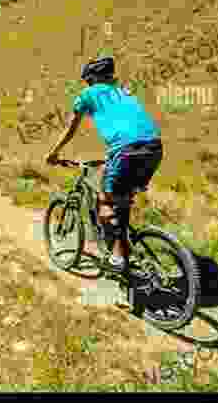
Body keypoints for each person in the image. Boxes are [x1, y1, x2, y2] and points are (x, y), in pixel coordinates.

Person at [45, 56, 163, 275]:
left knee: (105, 201)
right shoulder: (124, 92)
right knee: (121, 200)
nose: (88, 86)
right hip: (154, 149)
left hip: (126, 150)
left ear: (92, 79)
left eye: (88, 81)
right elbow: (131, 126)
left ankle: (119, 257)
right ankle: (125, 249)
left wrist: (54, 153)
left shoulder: (87, 95)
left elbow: (71, 128)